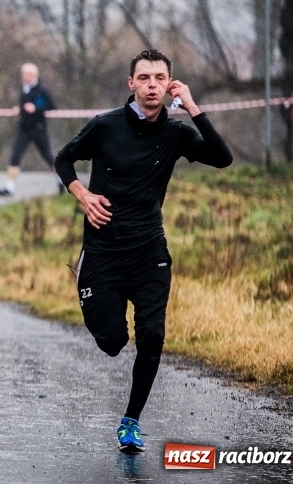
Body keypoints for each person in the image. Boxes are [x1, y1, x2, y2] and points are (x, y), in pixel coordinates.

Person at [54, 49, 233, 452]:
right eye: (144, 78)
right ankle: (86, 277)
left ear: (169, 84)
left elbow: (223, 159)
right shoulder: (105, 125)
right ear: (131, 83)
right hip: (103, 250)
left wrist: (192, 107)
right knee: (112, 341)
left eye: (159, 78)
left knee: (152, 336)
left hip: (150, 251)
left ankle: (130, 422)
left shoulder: (177, 134)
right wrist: (83, 194)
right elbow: (64, 158)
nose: (152, 85)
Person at [0, 63, 64, 196]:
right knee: (15, 155)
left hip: (38, 128)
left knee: (47, 156)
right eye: (23, 74)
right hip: (24, 128)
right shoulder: (23, 87)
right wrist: (19, 109)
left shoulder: (42, 89)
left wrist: (36, 108)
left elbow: (52, 106)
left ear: (34, 75)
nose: (24, 76)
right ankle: (9, 187)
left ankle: (61, 180)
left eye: (27, 74)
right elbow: (24, 105)